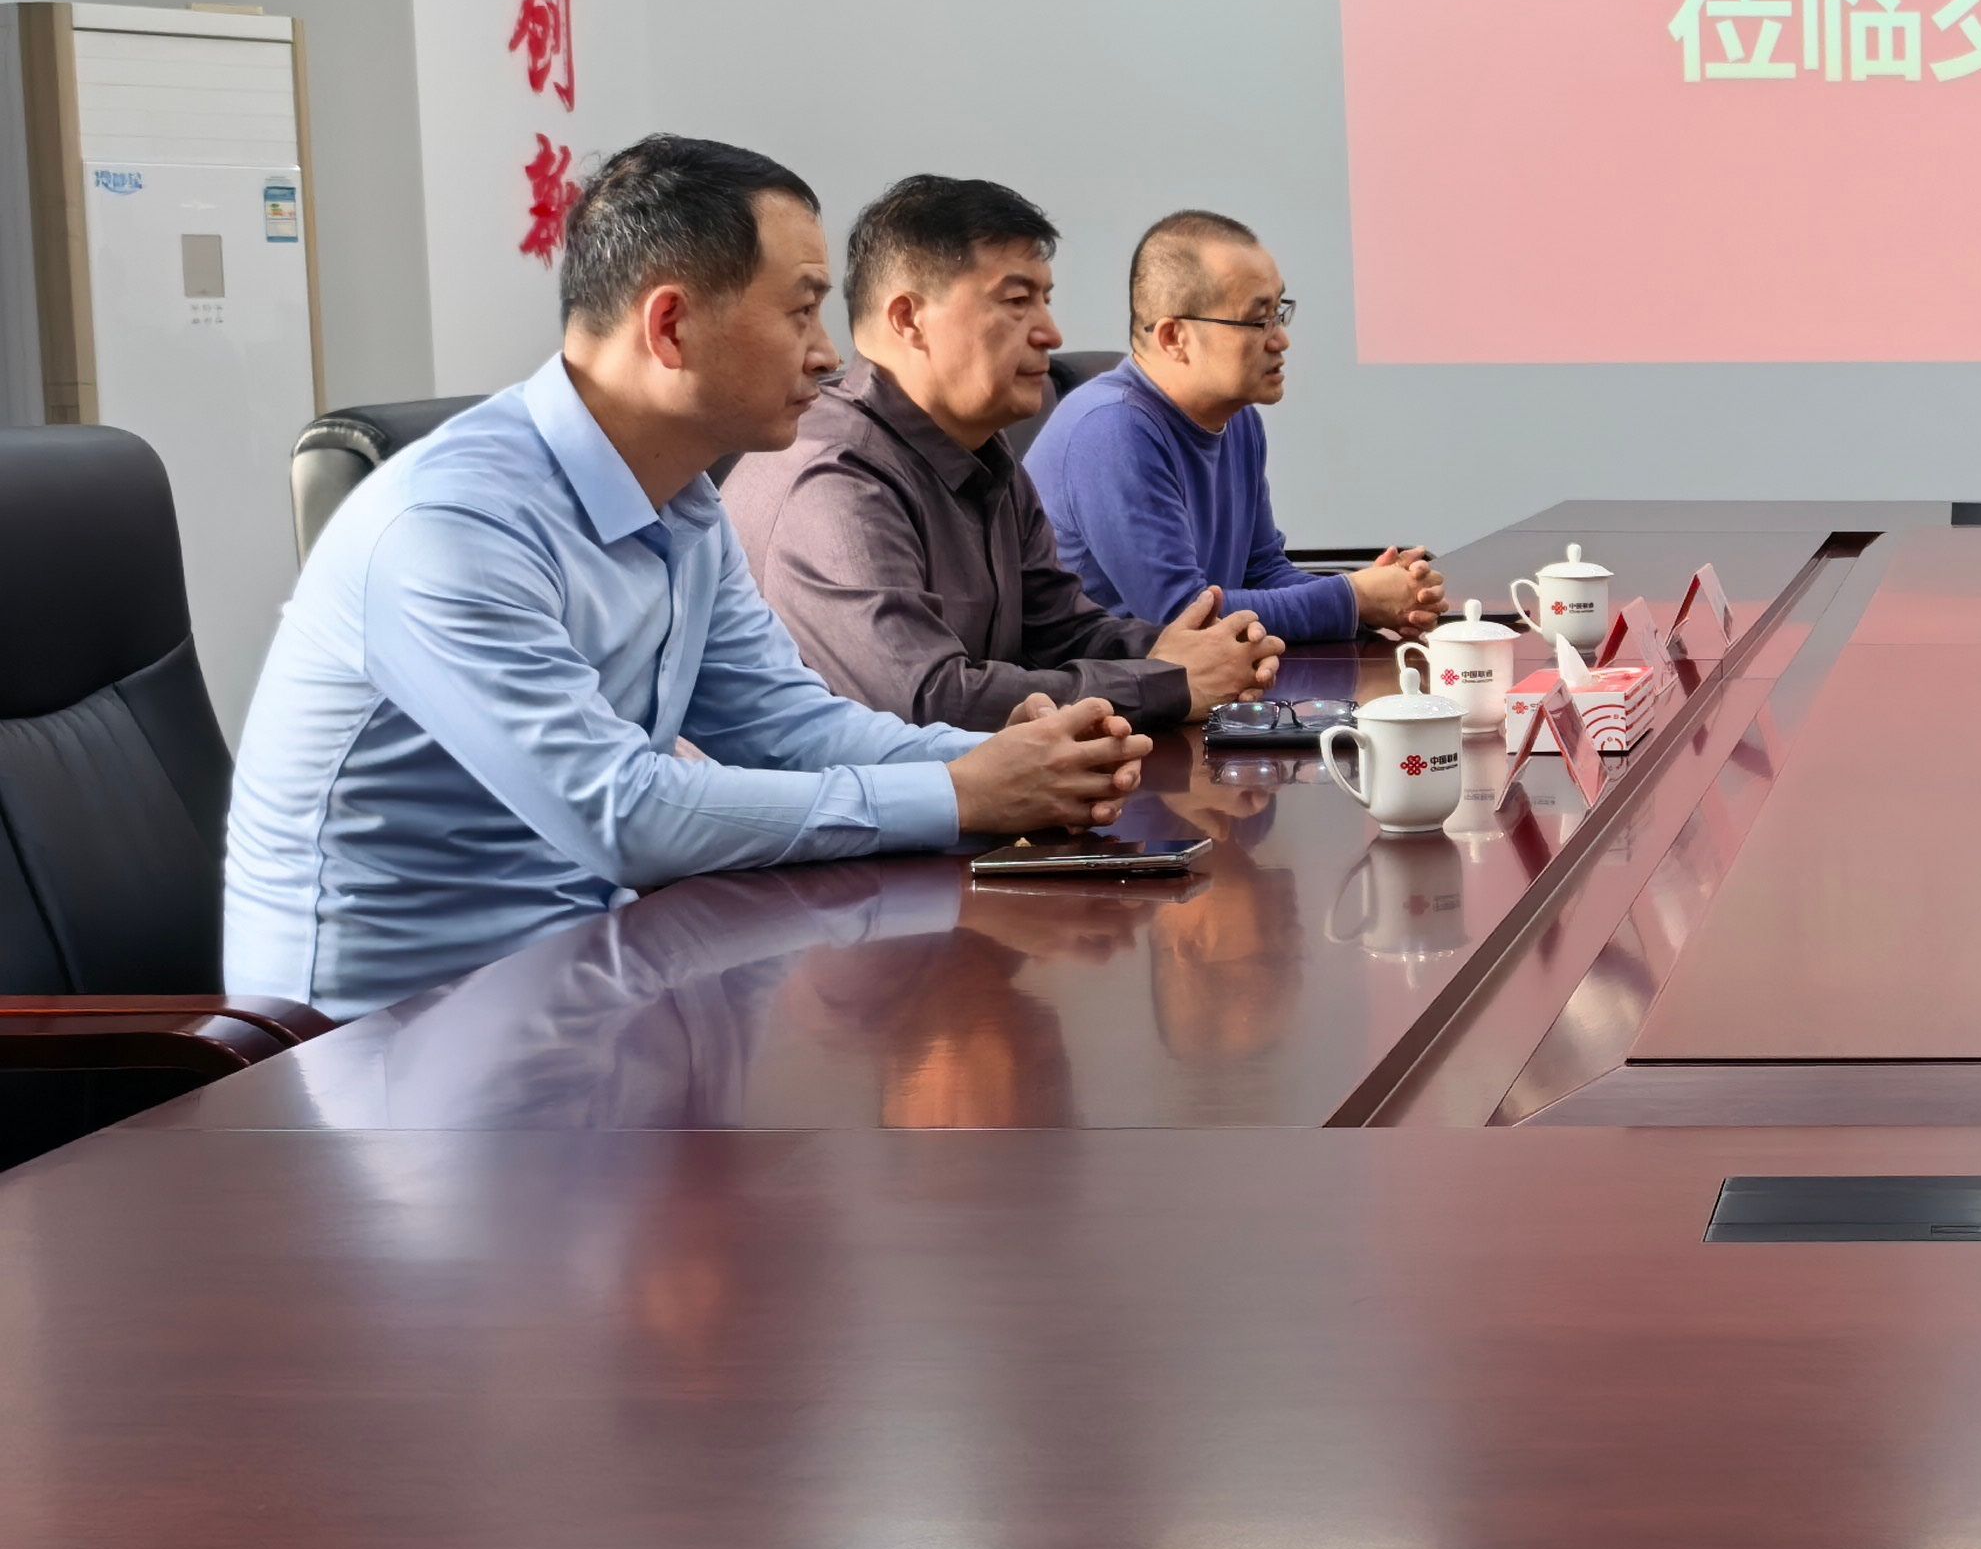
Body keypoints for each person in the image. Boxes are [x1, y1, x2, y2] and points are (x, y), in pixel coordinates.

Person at [221, 135, 1147, 1019]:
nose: (828, 354)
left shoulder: (683, 505)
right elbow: (620, 812)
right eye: (800, 311)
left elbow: (787, 727)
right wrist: (960, 793)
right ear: (670, 326)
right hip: (395, 1040)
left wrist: (1008, 761)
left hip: (596, 973)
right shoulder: (448, 526)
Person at [725, 174, 1285, 731]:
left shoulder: (987, 454)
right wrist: (1167, 681)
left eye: (1046, 300)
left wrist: (1186, 650)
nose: (1052, 334)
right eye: (1017, 301)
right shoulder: (838, 475)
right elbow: (928, 700)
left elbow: (1059, 631)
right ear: (908, 319)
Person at [1026, 209, 1442, 645]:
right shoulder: (1112, 430)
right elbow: (1182, 617)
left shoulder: (1240, 420)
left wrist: (1376, 595)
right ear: (1174, 338)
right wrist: (1353, 598)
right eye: (1258, 320)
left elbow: (1262, 571)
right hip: (1107, 682)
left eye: (1279, 312)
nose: (1280, 339)